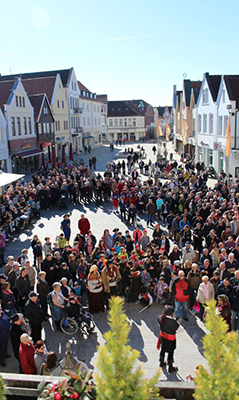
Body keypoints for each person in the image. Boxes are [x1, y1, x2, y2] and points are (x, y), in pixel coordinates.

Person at [157, 305, 179, 373]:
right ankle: (170, 367)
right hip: (170, 339)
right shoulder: (173, 322)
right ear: (171, 314)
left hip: (163, 337)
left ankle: (161, 362)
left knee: (162, 350)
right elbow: (179, 330)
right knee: (171, 352)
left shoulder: (160, 318)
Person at [0, 303, 11, 367]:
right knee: (1, 349)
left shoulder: (3, 313)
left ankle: (5, 354)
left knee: (5, 347)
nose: (0, 310)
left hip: (6, 334)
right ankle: (2, 360)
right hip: (1, 337)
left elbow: (7, 318)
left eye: (1, 309)